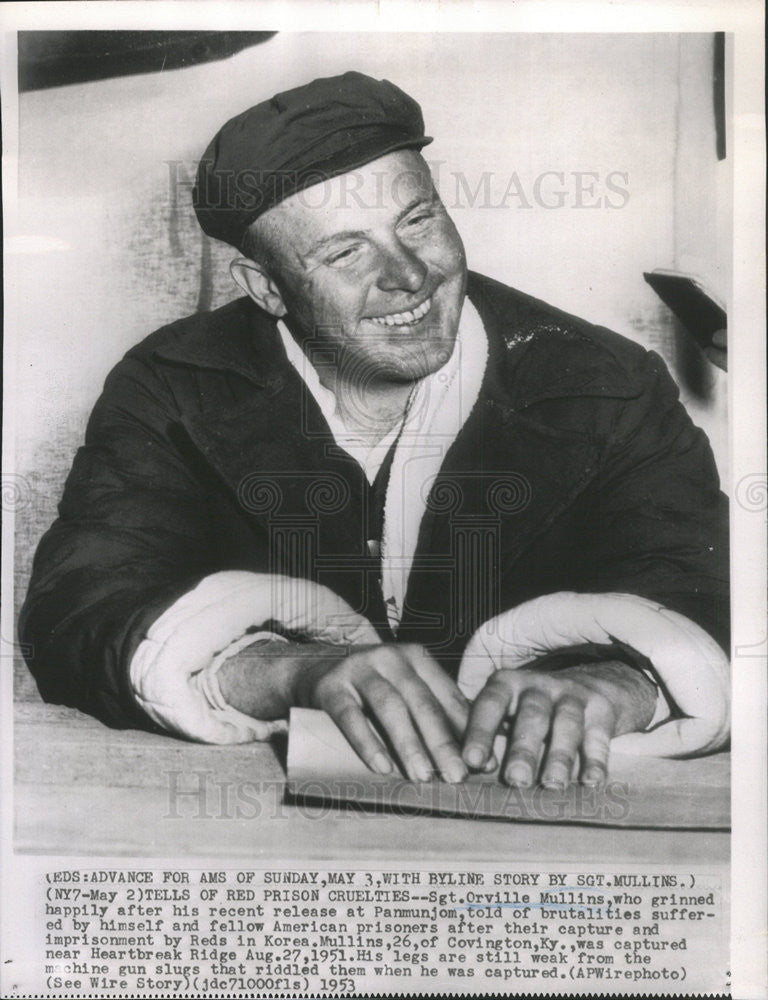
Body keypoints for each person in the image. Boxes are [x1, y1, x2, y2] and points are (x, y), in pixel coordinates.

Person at [21, 71, 730, 791]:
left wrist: (619, 683)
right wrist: (290, 671)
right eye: (345, 253)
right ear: (265, 288)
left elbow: (709, 586)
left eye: (417, 221)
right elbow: (77, 615)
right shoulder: (170, 385)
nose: (410, 277)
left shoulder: (608, 383)